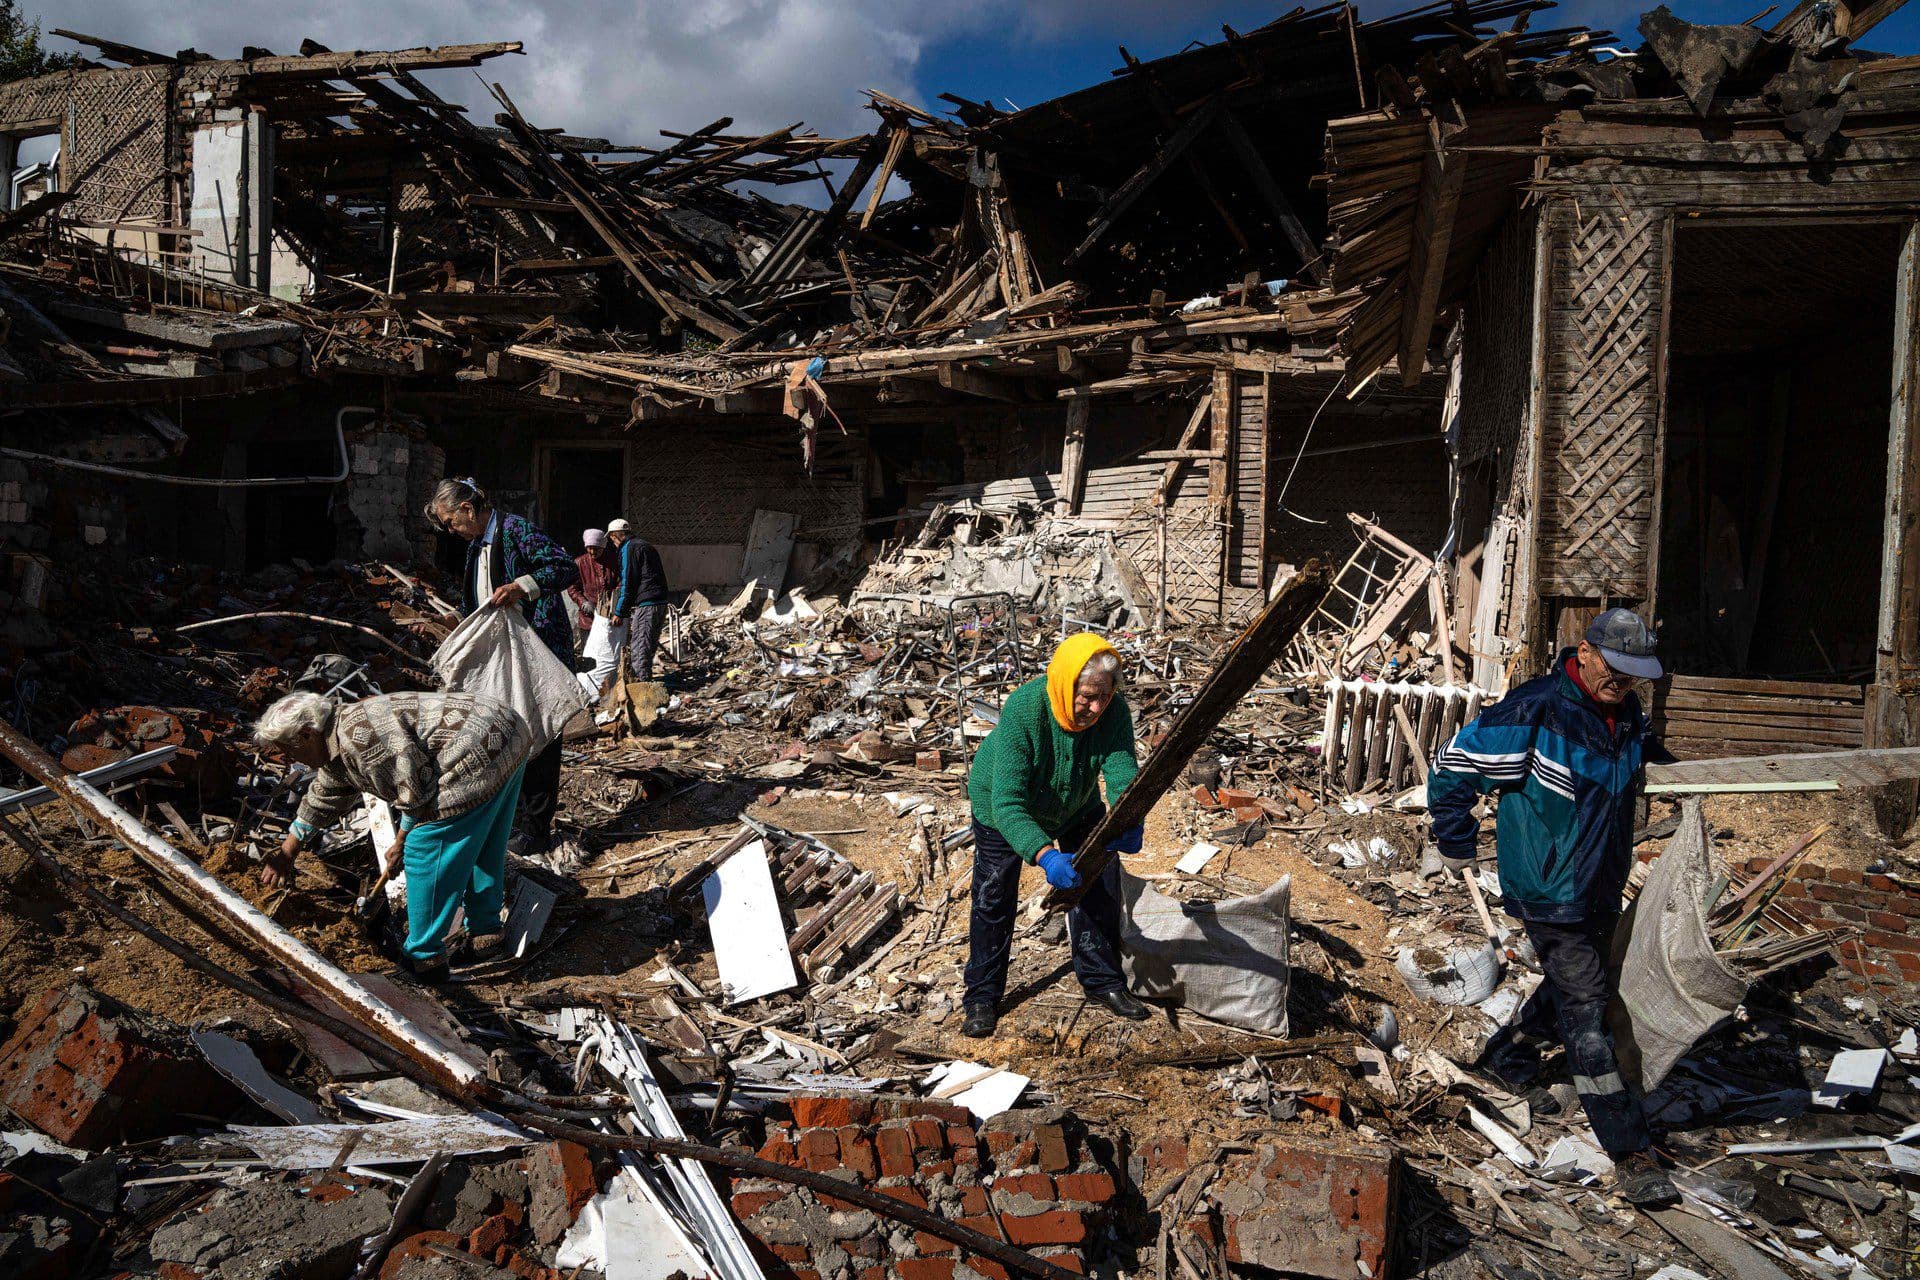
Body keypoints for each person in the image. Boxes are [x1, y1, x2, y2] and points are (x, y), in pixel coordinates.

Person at [1427, 608, 1678, 1208]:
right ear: (1585, 652)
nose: (1623, 683)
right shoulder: (1533, 708)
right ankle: (1630, 1152)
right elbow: (1454, 765)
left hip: (1599, 882)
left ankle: (1506, 1055)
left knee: (1581, 983)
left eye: (1635, 675)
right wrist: (1455, 838)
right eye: (1615, 670)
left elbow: (1642, 753)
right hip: (1547, 885)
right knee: (1589, 1012)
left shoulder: (1626, 714)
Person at [254, 690, 531, 982]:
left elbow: (416, 793)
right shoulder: (337, 737)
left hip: (479, 745)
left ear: (308, 734)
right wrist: (287, 852)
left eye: (289, 750)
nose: (289, 760)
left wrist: (401, 843)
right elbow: (324, 795)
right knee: (483, 841)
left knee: (426, 848)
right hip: (505, 729)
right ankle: (486, 934)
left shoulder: (361, 739)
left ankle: (424, 959)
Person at [961, 633, 1149, 1039]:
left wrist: (1128, 817)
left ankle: (1103, 982)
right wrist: (1045, 856)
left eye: (1105, 696)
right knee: (994, 895)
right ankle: (981, 997)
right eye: (1086, 697)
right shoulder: (1025, 710)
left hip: (1075, 804)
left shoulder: (1113, 713)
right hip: (1001, 806)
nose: (1096, 708)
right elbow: (1008, 804)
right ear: (1065, 685)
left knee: (1098, 884)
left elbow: (1120, 773)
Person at [424, 478, 578, 858]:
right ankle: (515, 820)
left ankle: (537, 829)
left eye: (449, 522)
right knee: (508, 734)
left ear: (467, 508)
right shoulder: (476, 545)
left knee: (538, 732)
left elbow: (563, 568)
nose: (449, 531)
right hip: (501, 657)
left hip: (536, 650)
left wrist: (522, 586)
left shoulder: (514, 530)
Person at [607, 517, 670, 681]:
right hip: (660, 601)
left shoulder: (629, 548)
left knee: (640, 648)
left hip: (647, 603)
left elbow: (628, 582)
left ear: (617, 535)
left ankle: (641, 687)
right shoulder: (645, 545)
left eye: (612, 538)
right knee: (648, 647)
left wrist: (619, 612)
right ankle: (645, 680)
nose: (612, 542)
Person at [567, 528, 615, 644]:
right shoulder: (579, 563)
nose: (593, 552)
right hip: (588, 617)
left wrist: (613, 603)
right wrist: (583, 602)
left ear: (603, 547)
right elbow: (572, 587)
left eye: (596, 549)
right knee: (589, 654)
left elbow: (620, 583)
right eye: (590, 548)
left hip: (609, 614)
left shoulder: (613, 561)